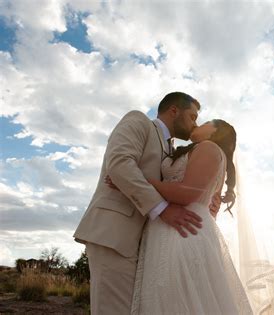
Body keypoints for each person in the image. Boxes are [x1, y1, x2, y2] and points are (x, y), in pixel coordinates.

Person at [127, 119, 274, 314]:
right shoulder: (202, 152)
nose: (198, 123)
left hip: (182, 230)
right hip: (176, 227)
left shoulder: (209, 148)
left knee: (176, 299)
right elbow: (207, 204)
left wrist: (139, 180)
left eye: (207, 122)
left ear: (216, 132)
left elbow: (186, 193)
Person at [73, 92, 221, 314]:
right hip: (114, 233)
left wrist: (207, 198)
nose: (195, 124)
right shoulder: (138, 121)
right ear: (174, 111)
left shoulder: (173, 150)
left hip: (147, 246)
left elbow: (180, 185)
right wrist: (162, 209)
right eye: (192, 116)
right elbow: (120, 164)